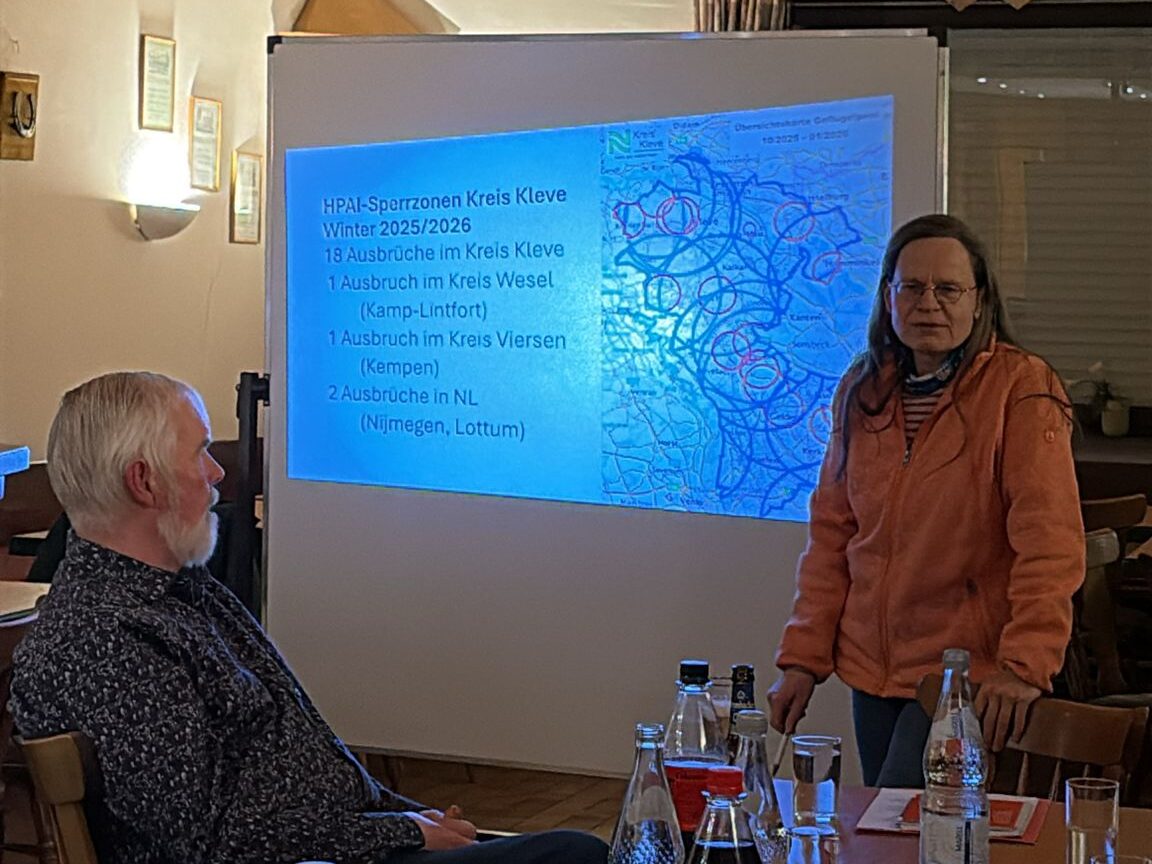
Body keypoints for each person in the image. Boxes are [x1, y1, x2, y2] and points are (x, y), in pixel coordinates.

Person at [11, 372, 608, 864]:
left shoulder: (183, 594)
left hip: (340, 846)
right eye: (200, 453)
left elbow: (307, 762)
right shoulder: (103, 638)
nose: (217, 474)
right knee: (575, 856)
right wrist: (399, 832)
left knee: (580, 850)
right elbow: (210, 844)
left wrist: (404, 816)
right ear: (144, 481)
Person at [767, 214, 1084, 787]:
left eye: (948, 289)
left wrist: (1025, 664)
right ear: (888, 297)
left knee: (907, 820)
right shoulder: (861, 390)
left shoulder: (1022, 388)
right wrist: (801, 661)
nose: (928, 304)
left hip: (963, 676)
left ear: (979, 299)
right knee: (885, 823)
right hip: (872, 671)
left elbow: (1050, 544)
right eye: (911, 287)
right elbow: (833, 535)